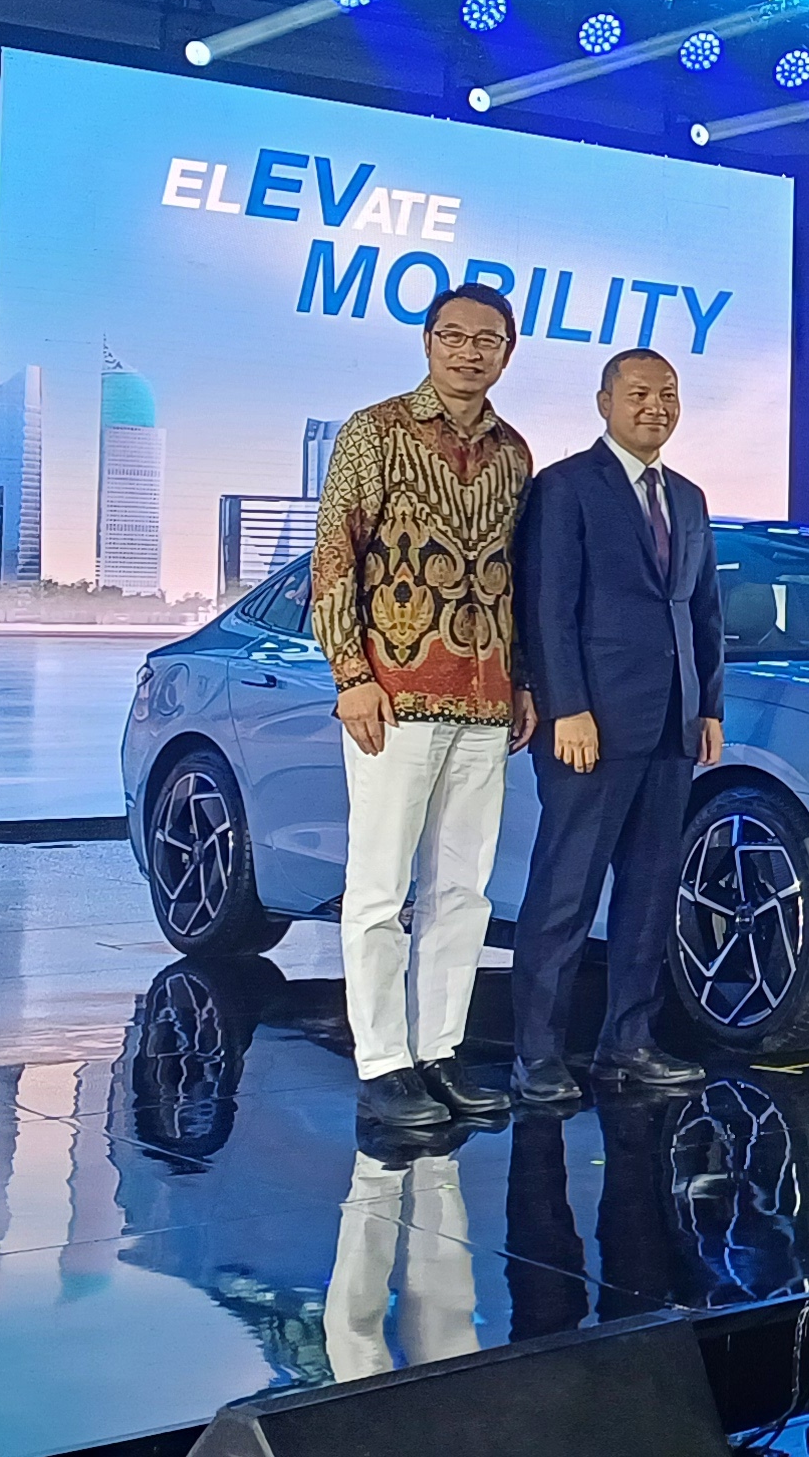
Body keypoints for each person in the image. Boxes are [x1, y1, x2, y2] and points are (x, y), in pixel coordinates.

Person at [313, 282, 535, 1130]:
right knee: (378, 890)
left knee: (463, 892)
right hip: (393, 696)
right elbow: (335, 555)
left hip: (485, 702)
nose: (469, 352)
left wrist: (525, 682)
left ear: (507, 352)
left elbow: (519, 578)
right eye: (454, 336)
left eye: (487, 340)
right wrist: (351, 676)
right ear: (428, 341)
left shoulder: (514, 452)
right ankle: (382, 1063)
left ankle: (440, 1051)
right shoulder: (374, 431)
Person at [509, 347, 723, 1105]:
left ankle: (627, 1042)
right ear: (604, 402)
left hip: (671, 725)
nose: (655, 406)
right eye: (638, 393)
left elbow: (703, 613)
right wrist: (566, 706)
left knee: (650, 892)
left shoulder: (688, 498)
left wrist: (708, 707)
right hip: (589, 726)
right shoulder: (565, 487)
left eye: (668, 394)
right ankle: (536, 1055)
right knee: (565, 894)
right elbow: (548, 608)